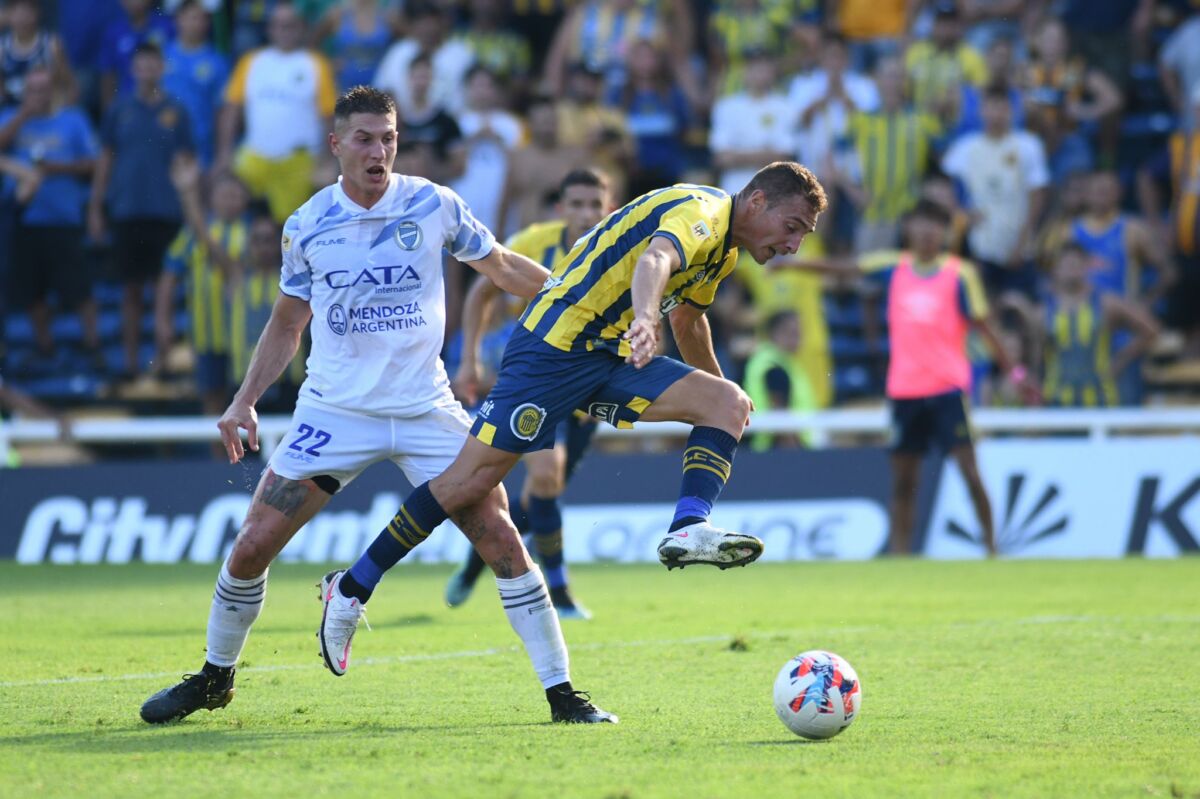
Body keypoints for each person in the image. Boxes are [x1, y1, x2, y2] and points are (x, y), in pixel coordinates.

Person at [139, 86, 613, 726]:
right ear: (336, 144)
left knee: (502, 538)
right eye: (364, 138)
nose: (378, 150)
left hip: (427, 408)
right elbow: (288, 320)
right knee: (251, 546)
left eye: (388, 138)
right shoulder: (307, 224)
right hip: (335, 411)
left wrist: (581, 306)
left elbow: (500, 267)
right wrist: (244, 400)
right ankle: (214, 678)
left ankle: (564, 695)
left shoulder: (432, 203)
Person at [320, 161, 829, 677]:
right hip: (551, 348)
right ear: (759, 201)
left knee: (730, 404)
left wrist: (719, 388)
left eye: (802, 237)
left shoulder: (723, 252)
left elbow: (689, 320)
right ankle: (352, 586)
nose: (793, 247)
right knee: (466, 483)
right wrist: (646, 319)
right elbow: (655, 259)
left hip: (606, 357)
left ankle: (688, 528)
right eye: (792, 229)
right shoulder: (703, 213)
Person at [777, 199, 1039, 556]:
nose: (928, 231)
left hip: (947, 389)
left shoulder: (959, 274)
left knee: (969, 473)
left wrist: (1017, 373)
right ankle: (901, 554)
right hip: (905, 391)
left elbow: (986, 329)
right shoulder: (893, 267)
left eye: (935, 225)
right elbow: (845, 268)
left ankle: (992, 548)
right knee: (904, 480)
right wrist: (795, 265)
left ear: (944, 233)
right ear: (910, 229)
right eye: (921, 223)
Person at [445, 168, 615, 617]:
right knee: (544, 475)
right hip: (536, 378)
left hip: (588, 385)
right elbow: (482, 293)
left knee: (542, 493)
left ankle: (473, 565)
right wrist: (469, 358)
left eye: (594, 205)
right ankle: (558, 594)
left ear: (608, 210)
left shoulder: (622, 249)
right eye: (576, 204)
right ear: (560, 209)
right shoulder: (534, 242)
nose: (586, 213)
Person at [89, 42, 194, 379]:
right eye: (141, 64)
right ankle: (133, 366)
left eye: (153, 63)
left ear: (161, 67)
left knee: (164, 292)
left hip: (166, 211)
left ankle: (163, 366)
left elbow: (187, 163)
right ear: (132, 70)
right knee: (131, 291)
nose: (147, 70)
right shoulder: (119, 110)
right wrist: (95, 207)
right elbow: (105, 160)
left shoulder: (177, 111)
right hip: (127, 209)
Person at [0, 67, 100, 365]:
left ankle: (92, 346)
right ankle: (45, 348)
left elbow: (93, 163)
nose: (38, 95)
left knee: (79, 288)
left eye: (44, 89)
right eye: (32, 89)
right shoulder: (10, 118)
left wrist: (58, 169)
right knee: (33, 292)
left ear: (54, 90)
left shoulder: (73, 119)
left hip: (63, 218)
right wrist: (23, 116)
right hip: (21, 220)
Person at [217, 3, 336, 224]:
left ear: (301, 28)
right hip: (255, 157)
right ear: (270, 29)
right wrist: (224, 153)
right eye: (279, 25)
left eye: (290, 25)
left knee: (290, 228)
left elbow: (328, 117)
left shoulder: (316, 64)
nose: (284, 31)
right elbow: (232, 109)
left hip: (298, 161)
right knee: (240, 220)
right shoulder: (251, 62)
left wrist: (325, 159)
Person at [1001, 243, 1159, 408]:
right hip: (1055, 399)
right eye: (1066, 264)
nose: (1071, 269)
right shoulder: (1042, 312)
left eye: (1076, 264)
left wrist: (1119, 361)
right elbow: (1034, 356)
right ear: (1055, 269)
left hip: (1100, 397)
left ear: (1086, 267)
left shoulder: (1105, 303)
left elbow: (1150, 330)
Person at [155, 162, 250, 419]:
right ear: (212, 199)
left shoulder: (254, 233)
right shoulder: (190, 235)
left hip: (245, 334)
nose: (230, 201)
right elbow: (169, 276)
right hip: (205, 333)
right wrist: (163, 321)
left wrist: (190, 199)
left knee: (247, 399)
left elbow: (234, 271)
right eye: (224, 195)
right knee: (213, 400)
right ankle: (220, 459)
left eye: (236, 195)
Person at [941, 86, 1048, 297]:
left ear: (1012, 111)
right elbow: (940, 185)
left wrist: (1023, 240)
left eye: (1002, 108)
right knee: (983, 311)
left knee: (1016, 309)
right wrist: (961, 213)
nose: (996, 114)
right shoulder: (966, 147)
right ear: (981, 111)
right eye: (991, 108)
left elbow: (1039, 195)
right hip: (980, 246)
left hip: (1019, 245)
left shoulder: (1028, 145)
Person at [162, 0, 229, 169]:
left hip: (200, 147)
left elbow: (221, 111)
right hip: (162, 141)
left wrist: (221, 154)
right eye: (193, 17)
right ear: (178, 18)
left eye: (204, 18)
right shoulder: (161, 56)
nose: (199, 23)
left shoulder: (218, 62)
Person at [741, 309, 816, 451]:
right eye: (793, 333)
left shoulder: (766, 361)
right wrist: (797, 454)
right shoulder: (773, 368)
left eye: (799, 333)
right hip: (777, 448)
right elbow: (780, 419)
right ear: (775, 333)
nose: (798, 338)